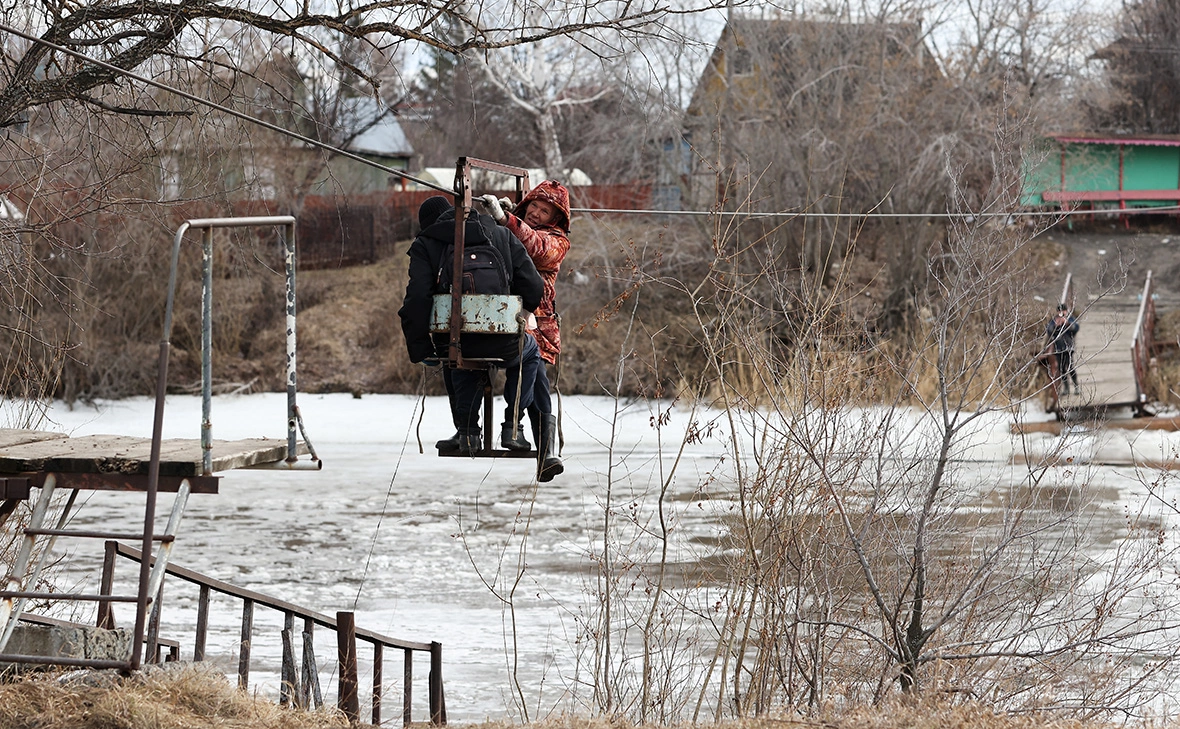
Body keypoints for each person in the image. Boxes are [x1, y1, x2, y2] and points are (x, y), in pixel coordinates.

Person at [399, 196, 545, 455]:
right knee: (530, 352)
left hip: (455, 340)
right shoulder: (498, 233)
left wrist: (422, 348)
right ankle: (513, 428)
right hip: (504, 341)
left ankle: (468, 434)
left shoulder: (426, 243)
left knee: (455, 356)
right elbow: (533, 284)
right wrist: (519, 313)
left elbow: (417, 298)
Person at [476, 180, 570, 481]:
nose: (537, 214)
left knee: (538, 378)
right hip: (507, 315)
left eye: (545, 211)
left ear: (555, 219)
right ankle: (541, 449)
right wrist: (503, 219)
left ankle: (528, 439)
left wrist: (507, 219)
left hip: (537, 324)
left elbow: (536, 246)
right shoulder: (514, 227)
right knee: (537, 381)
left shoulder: (557, 242)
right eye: (534, 206)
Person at [1046, 303, 1080, 396]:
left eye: (1063, 311)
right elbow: (1049, 330)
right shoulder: (1054, 320)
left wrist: (1067, 323)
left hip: (1068, 347)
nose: (1062, 313)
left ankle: (1076, 386)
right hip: (1058, 347)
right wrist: (1056, 326)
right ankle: (1066, 388)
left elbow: (1076, 328)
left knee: (1070, 367)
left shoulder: (1070, 318)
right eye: (1060, 311)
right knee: (1061, 369)